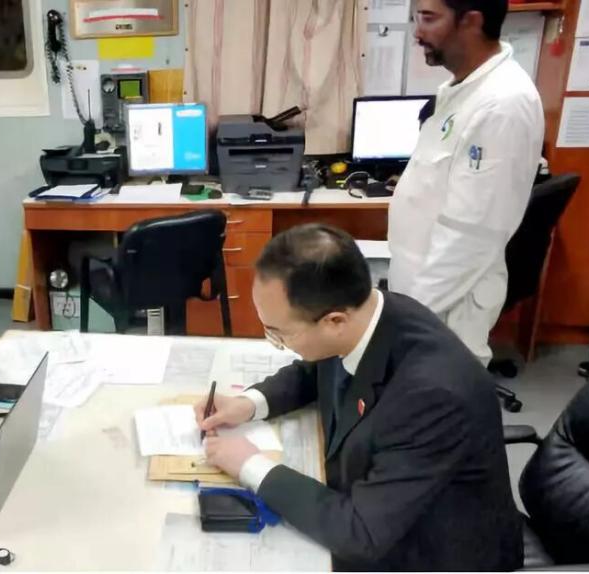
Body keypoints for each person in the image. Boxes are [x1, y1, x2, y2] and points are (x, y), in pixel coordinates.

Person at [196, 224, 522, 571]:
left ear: (334, 321)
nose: (278, 343)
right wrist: (249, 403)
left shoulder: (432, 398)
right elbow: (314, 369)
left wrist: (250, 464)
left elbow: (361, 535)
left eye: (280, 334)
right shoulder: (366, 315)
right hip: (380, 509)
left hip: (429, 553)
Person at [387, 0, 544, 365]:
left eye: (428, 18)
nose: (417, 33)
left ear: (471, 21)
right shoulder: (460, 91)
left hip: (446, 307)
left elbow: (470, 235)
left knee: (436, 395)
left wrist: (411, 318)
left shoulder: (503, 104)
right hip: (420, 292)